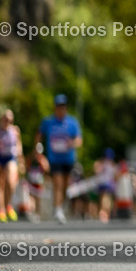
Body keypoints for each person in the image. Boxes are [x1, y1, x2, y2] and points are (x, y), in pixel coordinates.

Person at [36, 94, 83, 224]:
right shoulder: (48, 122)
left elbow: (79, 140)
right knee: (58, 183)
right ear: (55, 108)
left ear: (66, 108)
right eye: (58, 106)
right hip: (54, 160)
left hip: (68, 160)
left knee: (65, 187)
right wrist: (38, 152)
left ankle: (59, 206)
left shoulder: (72, 122)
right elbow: (39, 135)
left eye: (63, 107)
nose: (60, 109)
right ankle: (57, 210)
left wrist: (71, 143)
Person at [0, 109, 22, 223]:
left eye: (10, 119)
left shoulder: (15, 130)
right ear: (2, 119)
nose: (7, 121)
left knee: (10, 182)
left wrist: (21, 160)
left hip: (11, 158)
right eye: (5, 119)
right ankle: (1, 210)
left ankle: (8, 205)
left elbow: (19, 145)